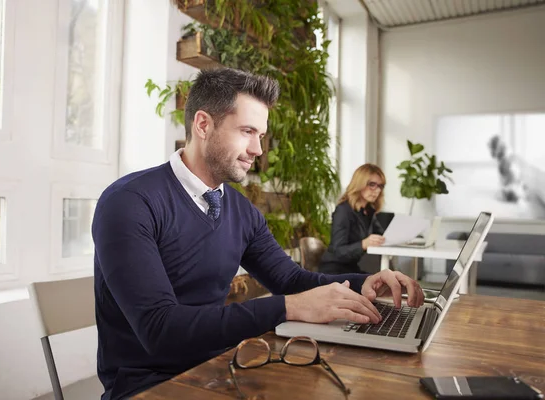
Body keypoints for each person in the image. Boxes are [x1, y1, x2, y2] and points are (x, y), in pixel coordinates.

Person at [92, 68, 423, 400]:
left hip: (220, 368)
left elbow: (290, 280)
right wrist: (288, 308)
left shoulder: (239, 208)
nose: (258, 149)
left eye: (260, 135)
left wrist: (360, 283)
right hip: (148, 386)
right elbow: (159, 329)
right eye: (247, 131)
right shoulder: (130, 202)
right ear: (203, 125)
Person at [319, 164, 388, 275]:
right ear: (360, 183)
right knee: (380, 284)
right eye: (372, 184)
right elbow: (338, 251)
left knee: (383, 282)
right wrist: (363, 244)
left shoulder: (368, 211)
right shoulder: (343, 210)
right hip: (334, 270)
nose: (377, 190)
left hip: (351, 269)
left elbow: (382, 235)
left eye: (380, 186)